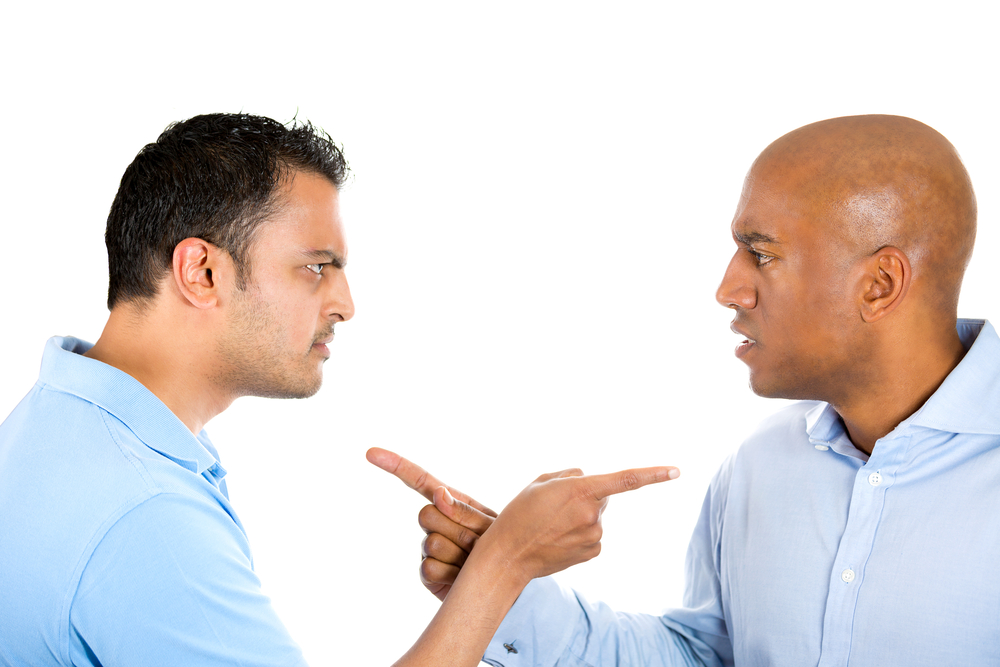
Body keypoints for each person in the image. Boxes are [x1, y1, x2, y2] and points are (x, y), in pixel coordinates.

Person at [0, 112, 679, 667]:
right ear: (201, 271)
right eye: (315, 268)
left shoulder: (61, 420)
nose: (346, 303)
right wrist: (505, 564)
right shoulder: (143, 511)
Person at [373, 114, 1000, 666]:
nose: (728, 289)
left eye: (761, 255)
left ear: (879, 286)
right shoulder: (761, 464)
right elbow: (710, 657)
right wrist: (499, 585)